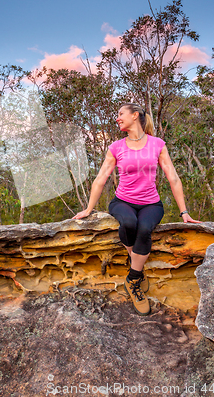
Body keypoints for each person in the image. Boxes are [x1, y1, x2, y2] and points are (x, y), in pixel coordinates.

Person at [72, 103, 201, 316]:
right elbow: (100, 178)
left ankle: (133, 279)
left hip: (151, 204)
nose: (117, 118)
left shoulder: (157, 144)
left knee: (144, 228)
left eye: (121, 114)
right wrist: (88, 209)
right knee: (129, 223)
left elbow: (173, 178)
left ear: (135, 115)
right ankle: (138, 269)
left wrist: (184, 212)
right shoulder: (116, 147)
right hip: (123, 202)